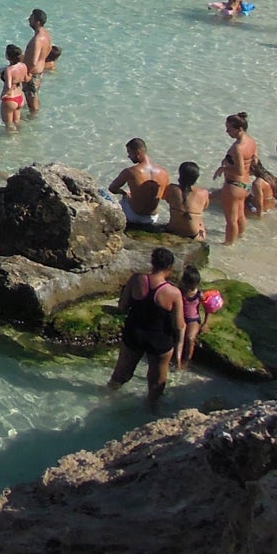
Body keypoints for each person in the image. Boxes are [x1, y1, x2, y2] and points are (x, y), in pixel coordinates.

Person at [105, 247, 185, 410]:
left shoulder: (136, 279)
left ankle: (106, 399)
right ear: (169, 269)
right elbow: (178, 325)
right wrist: (180, 348)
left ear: (152, 263)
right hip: (158, 339)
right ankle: (150, 410)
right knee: (156, 383)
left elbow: (122, 306)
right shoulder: (173, 292)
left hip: (134, 332)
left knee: (121, 374)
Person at [108, 138, 172, 229]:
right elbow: (166, 196)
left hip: (134, 217)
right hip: (153, 218)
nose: (128, 156)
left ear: (137, 153)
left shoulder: (130, 171)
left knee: (120, 199)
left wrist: (124, 192)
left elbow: (112, 189)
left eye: (129, 153)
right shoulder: (163, 172)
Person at [218, 111, 258, 245]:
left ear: (239, 129)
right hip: (246, 185)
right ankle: (241, 236)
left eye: (229, 129)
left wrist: (223, 168)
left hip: (234, 185)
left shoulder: (238, 148)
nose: (226, 132)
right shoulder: (251, 141)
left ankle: (228, 244)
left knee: (231, 219)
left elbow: (240, 170)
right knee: (241, 214)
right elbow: (255, 159)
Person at [176, 265, 213, 372]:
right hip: (181, 317)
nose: (193, 286)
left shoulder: (199, 294)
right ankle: (177, 361)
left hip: (193, 319)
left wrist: (206, 323)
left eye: (195, 284)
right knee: (179, 339)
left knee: (190, 338)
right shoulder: (179, 291)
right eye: (191, 283)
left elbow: (208, 309)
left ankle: (186, 361)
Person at [165, 161, 210, 240]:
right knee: (200, 221)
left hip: (172, 230)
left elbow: (168, 200)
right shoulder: (203, 193)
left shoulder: (171, 188)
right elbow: (205, 207)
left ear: (180, 175)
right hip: (192, 234)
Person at [24, 11, 54, 116]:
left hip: (32, 74)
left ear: (37, 22)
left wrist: (27, 74)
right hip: (39, 72)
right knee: (34, 97)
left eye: (31, 18)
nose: (28, 19)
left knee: (32, 103)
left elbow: (33, 61)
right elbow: (50, 48)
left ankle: (32, 121)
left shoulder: (37, 39)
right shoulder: (46, 34)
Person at [0, 44, 28, 130]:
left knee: (8, 124)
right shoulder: (23, 66)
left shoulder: (9, 70)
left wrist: (3, 95)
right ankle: (21, 137)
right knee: (17, 122)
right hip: (20, 97)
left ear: (7, 56)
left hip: (10, 99)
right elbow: (26, 79)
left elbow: (8, 86)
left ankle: (12, 141)